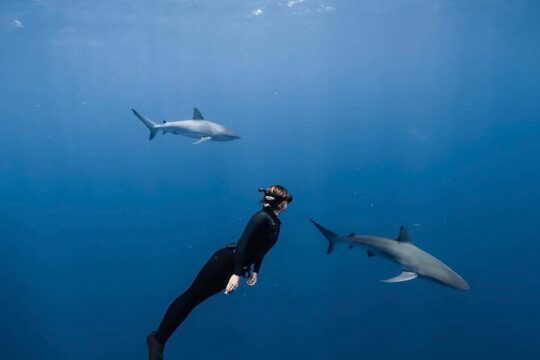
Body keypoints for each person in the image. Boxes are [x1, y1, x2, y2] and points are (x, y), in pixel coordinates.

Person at [147, 185, 293, 360]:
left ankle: (160, 337)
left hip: (236, 265)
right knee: (191, 296)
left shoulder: (275, 222)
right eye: (285, 201)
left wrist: (256, 270)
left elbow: (261, 249)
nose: (287, 204)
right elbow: (244, 243)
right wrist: (236, 274)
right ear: (281, 203)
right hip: (225, 261)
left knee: (195, 301)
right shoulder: (261, 217)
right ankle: (156, 340)